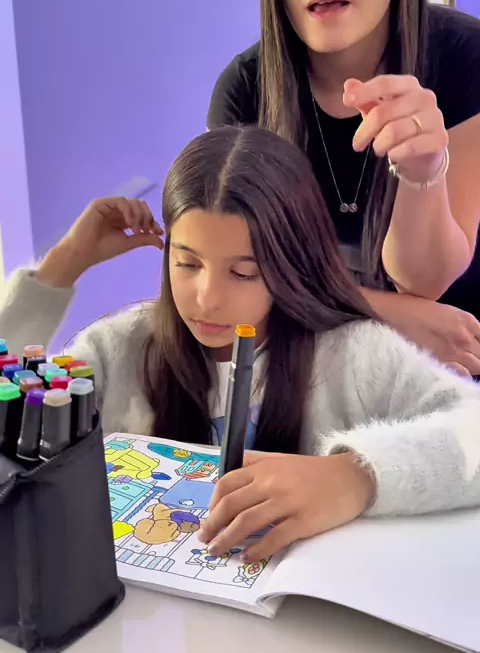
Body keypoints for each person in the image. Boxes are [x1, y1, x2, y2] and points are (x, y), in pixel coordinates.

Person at [1, 126, 480, 561]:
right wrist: (62, 266)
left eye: (244, 272)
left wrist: (355, 476)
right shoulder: (117, 347)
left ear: (291, 265)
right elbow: (12, 414)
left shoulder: (354, 355)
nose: (207, 299)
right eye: (187, 264)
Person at [207, 0, 480, 375]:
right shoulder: (244, 93)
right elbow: (236, 280)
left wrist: (423, 170)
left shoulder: (466, 58)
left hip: (456, 382)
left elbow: (425, 279)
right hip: (317, 383)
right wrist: (384, 314)